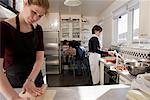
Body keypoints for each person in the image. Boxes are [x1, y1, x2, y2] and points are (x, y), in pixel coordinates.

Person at [0, 0, 49, 99]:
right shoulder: (4, 28)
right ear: (25, 3)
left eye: (40, 16)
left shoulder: (38, 29)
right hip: (13, 86)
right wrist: (15, 98)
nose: (35, 18)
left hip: (35, 81)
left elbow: (39, 59)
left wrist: (30, 80)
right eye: (34, 12)